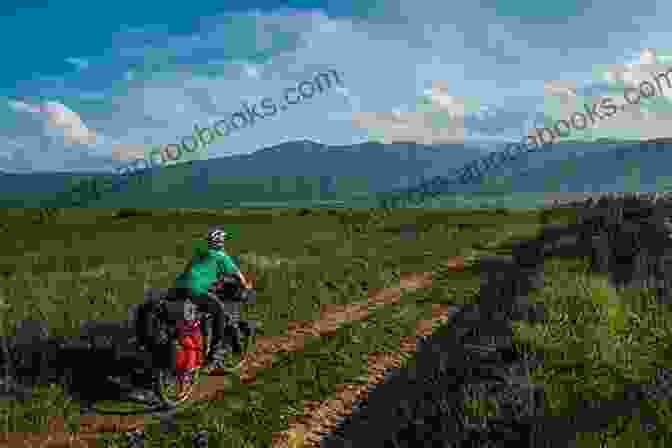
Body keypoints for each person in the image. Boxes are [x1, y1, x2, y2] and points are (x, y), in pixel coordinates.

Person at [170, 227, 252, 371]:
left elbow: (196, 272)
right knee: (219, 313)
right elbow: (236, 273)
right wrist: (246, 286)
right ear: (221, 242)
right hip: (196, 290)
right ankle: (214, 356)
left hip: (178, 288)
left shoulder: (199, 254)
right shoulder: (221, 256)